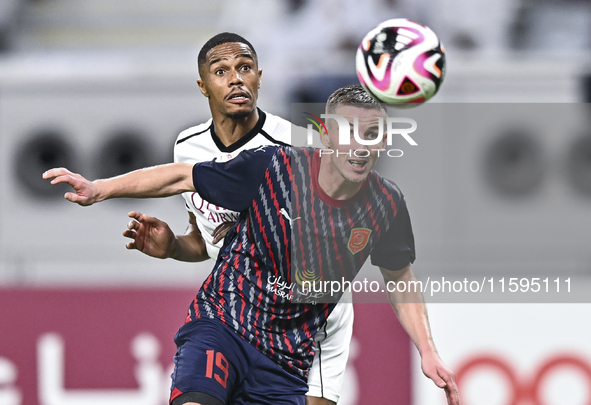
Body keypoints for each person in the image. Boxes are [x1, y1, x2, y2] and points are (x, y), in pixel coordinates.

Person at [43, 84, 460, 405]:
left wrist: (428, 350)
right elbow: (182, 176)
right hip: (224, 324)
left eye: (372, 133)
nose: (361, 145)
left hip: (285, 360)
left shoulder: (386, 204)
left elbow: (400, 276)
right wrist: (100, 189)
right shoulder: (274, 167)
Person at [114, 32, 353, 405]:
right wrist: (176, 246)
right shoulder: (188, 146)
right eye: (221, 70)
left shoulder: (300, 148)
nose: (236, 78)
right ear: (203, 86)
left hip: (297, 326)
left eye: (244, 68)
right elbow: (209, 240)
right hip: (228, 317)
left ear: (259, 76)